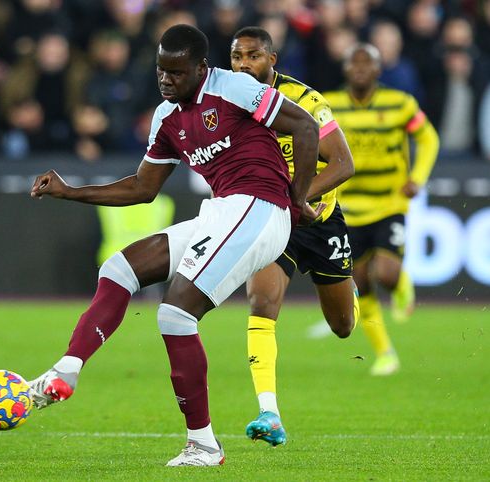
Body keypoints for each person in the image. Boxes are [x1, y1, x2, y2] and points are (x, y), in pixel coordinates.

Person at [28, 24, 321, 467]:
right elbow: (143, 187)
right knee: (117, 269)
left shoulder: (235, 88)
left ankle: (202, 444)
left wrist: (297, 199)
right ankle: (66, 369)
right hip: (224, 211)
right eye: (161, 70)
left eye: (177, 72)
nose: (166, 79)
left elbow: (305, 125)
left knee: (175, 313)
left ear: (202, 68)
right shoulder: (167, 118)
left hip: (260, 208)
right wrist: (70, 192)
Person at [229, 26, 357, 447]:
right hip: (274, 220)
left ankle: (348, 292)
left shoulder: (305, 101)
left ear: (272, 60)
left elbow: (342, 164)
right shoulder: (230, 102)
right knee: (261, 303)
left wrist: (300, 196)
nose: (244, 64)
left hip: (319, 219)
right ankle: (270, 412)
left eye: (253, 56)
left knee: (343, 327)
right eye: (236, 57)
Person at [322, 43, 439, 376]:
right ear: (345, 69)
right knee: (360, 282)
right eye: (353, 63)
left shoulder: (400, 103)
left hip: (389, 203)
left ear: (378, 70)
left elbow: (429, 138)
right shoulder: (330, 105)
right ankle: (385, 352)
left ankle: (401, 284)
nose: (360, 69)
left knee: (385, 273)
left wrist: (417, 177)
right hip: (348, 209)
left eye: (367, 64)